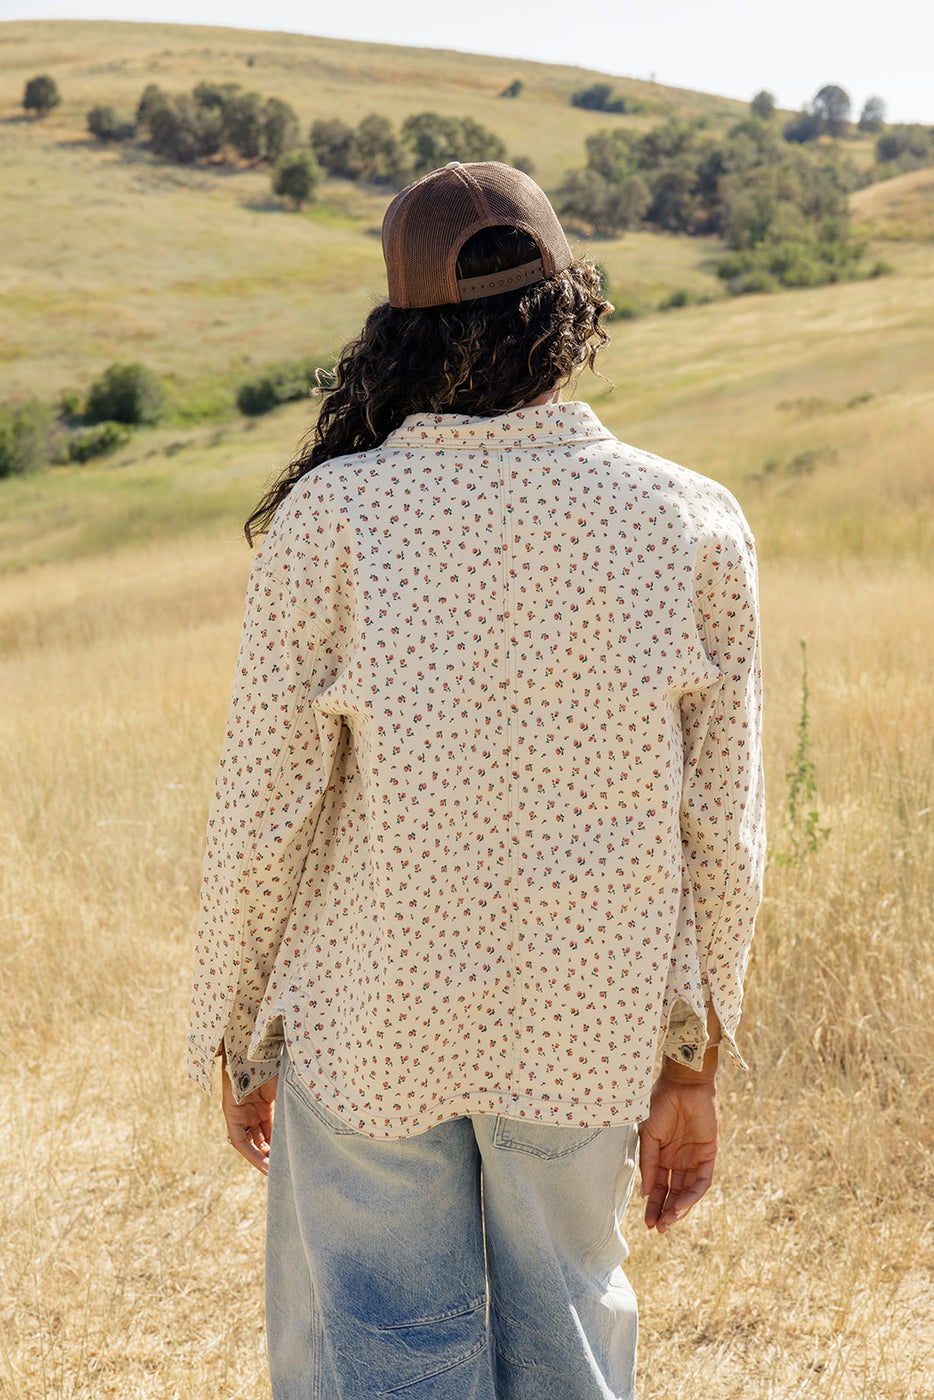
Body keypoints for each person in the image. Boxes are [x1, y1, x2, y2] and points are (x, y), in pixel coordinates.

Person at [187, 161, 765, 1400]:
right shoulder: (692, 521)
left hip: (373, 1022)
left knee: (384, 1359)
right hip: (587, 1025)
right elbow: (722, 832)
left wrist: (230, 1030)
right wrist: (691, 1060)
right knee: (568, 1355)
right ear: (568, 309)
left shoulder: (336, 519)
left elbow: (262, 816)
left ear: (398, 333)